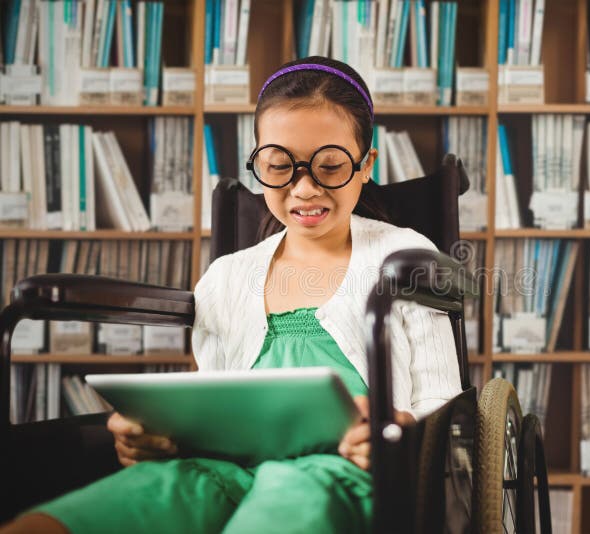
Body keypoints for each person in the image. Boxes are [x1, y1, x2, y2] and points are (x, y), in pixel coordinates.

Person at [0, 56, 462, 534]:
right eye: (280, 166)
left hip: (348, 475)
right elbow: (211, 408)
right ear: (258, 162)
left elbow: (444, 402)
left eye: (329, 166)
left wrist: (402, 433)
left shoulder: (405, 257)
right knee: (138, 496)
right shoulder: (226, 277)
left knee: (293, 494)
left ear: (366, 165)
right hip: (225, 470)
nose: (303, 188)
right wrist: (154, 437)